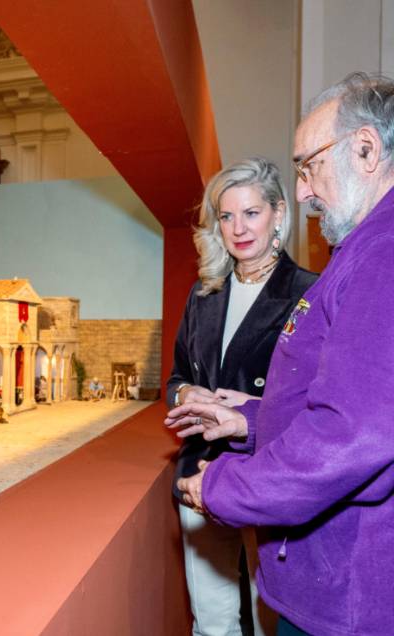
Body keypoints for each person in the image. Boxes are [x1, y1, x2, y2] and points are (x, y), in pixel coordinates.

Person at [169, 73, 394, 636]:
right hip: (319, 560)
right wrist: (246, 419)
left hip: (346, 587)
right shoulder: (360, 251)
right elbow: (340, 401)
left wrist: (223, 487)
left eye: (308, 167)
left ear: (366, 150)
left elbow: (351, 433)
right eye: (226, 216)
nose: (303, 192)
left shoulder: (380, 255)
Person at [166, 157, 316, 636]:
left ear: (278, 214)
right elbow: (175, 378)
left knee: (269, 616)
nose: (238, 228)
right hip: (201, 470)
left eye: (251, 213)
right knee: (211, 622)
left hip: (268, 473)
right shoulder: (204, 294)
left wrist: (247, 412)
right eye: (227, 216)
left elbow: (319, 403)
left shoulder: (309, 293)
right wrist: (186, 393)